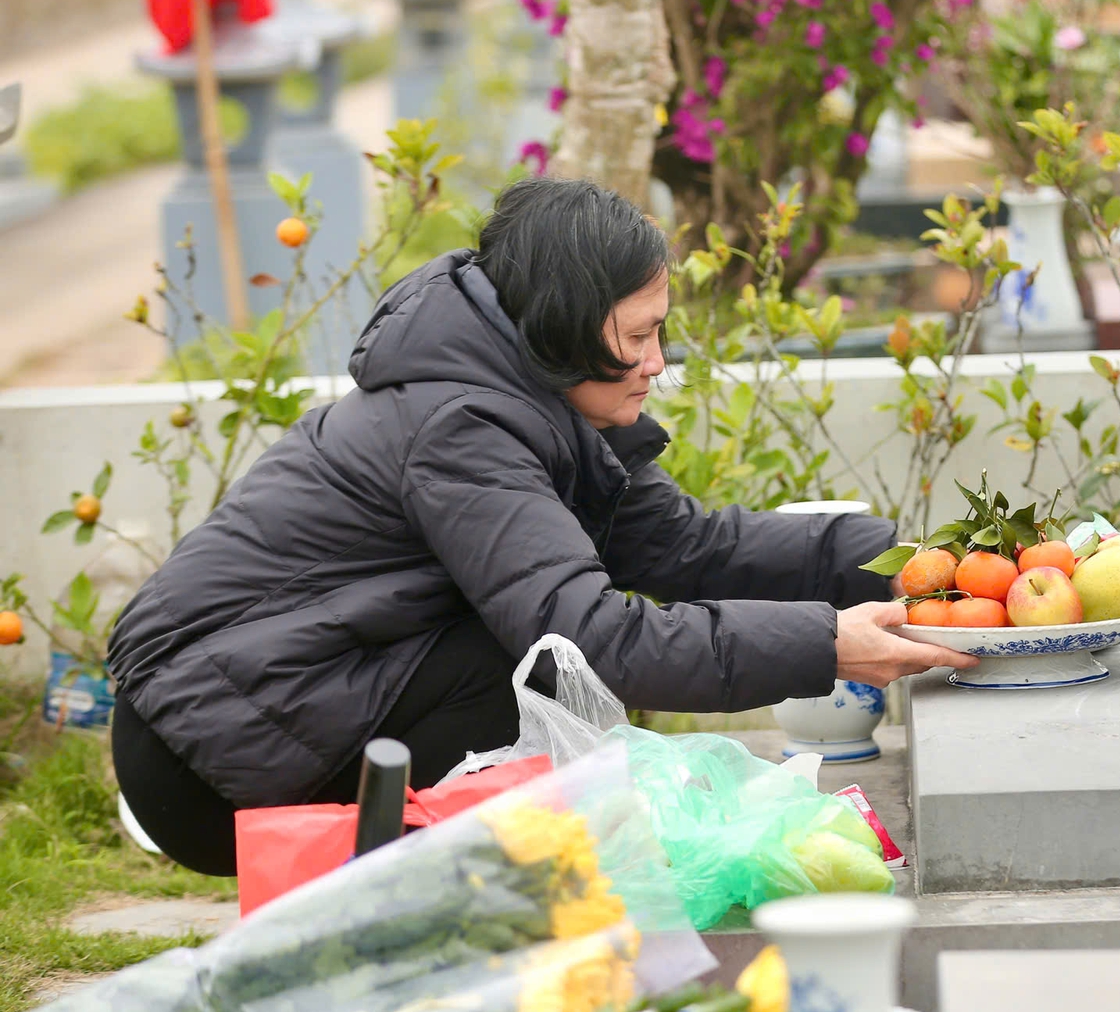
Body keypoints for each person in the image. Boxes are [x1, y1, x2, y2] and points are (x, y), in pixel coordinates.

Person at [109, 176, 972, 877]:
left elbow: (686, 548)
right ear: (563, 324)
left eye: (660, 333)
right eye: (637, 336)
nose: (657, 362)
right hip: (210, 754)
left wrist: (915, 561)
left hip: (299, 700)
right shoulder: (461, 427)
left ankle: (464, 905)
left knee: (547, 662)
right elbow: (595, 641)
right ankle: (424, 917)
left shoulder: (545, 399)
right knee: (543, 669)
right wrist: (828, 644)